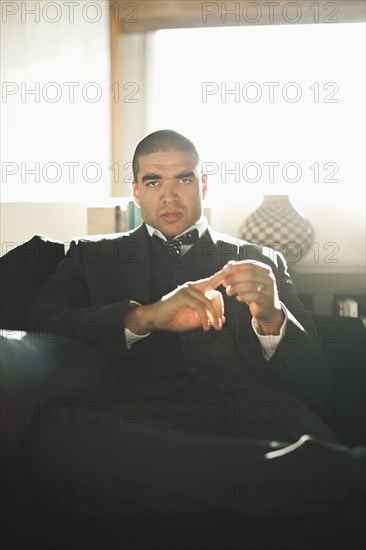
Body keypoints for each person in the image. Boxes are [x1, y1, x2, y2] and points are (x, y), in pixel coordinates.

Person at [13, 130, 365, 548]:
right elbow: (42, 325)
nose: (169, 195)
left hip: (257, 415)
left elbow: (315, 381)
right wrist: (144, 317)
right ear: (136, 192)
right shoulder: (90, 255)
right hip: (138, 419)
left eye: (183, 179)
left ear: (203, 185)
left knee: (294, 423)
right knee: (57, 439)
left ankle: (287, 477)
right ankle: (325, 473)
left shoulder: (261, 257)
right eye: (153, 181)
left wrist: (273, 317)